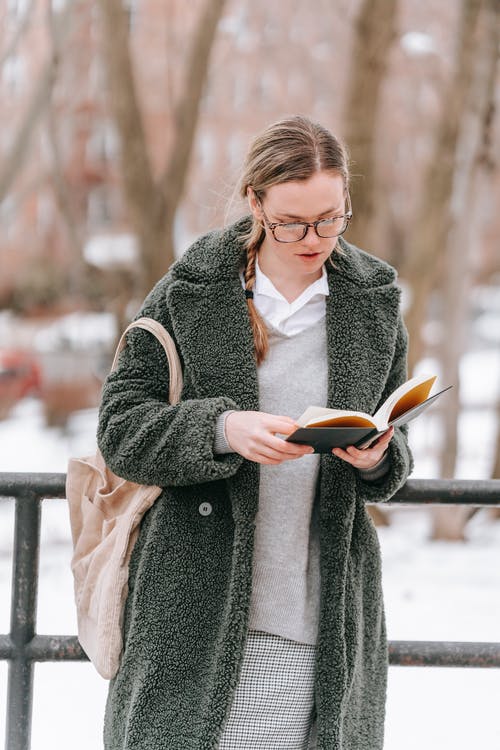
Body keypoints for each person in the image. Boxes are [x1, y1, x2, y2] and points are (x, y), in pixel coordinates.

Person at [97, 114, 414, 750]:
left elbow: (394, 451)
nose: (314, 238)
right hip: (196, 609)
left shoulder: (372, 299)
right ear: (255, 202)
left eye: (330, 218)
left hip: (322, 616)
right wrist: (220, 428)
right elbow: (120, 426)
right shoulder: (191, 292)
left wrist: (377, 456)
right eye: (292, 222)